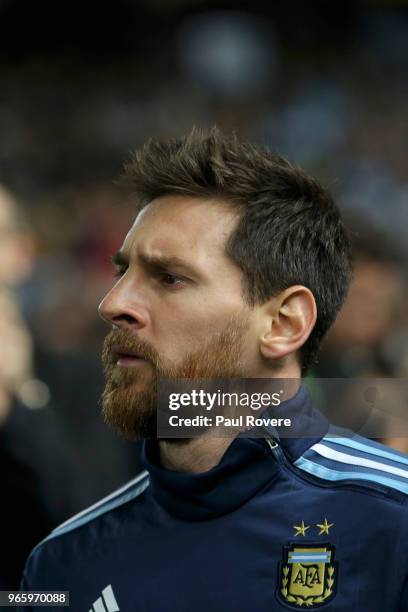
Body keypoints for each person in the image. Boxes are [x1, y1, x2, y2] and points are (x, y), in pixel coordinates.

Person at [21, 127, 408, 611]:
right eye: (123, 273)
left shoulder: (393, 525)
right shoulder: (60, 567)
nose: (113, 304)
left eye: (169, 277)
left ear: (283, 323)